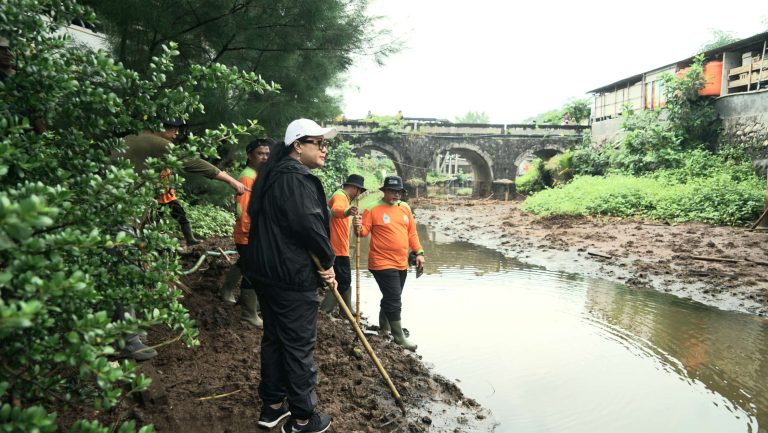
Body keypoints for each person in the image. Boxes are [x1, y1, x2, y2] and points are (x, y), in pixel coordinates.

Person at [242, 118, 336, 433]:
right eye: (318, 143)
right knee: (298, 346)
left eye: (326, 144)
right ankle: (303, 420)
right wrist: (328, 263)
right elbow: (310, 226)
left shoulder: (272, 175)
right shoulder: (297, 178)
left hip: (267, 274)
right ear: (298, 145)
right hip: (291, 277)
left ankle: (272, 406)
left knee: (275, 339)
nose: (324, 149)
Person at [121, 120, 246, 245]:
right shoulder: (158, 143)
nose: (176, 134)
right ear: (159, 127)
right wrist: (230, 180)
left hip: (111, 200)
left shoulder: (129, 138)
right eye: (173, 130)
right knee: (126, 240)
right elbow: (192, 162)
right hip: (130, 206)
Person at [353, 175, 425, 351]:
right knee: (394, 298)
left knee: (392, 295)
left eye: (399, 191)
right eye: (392, 191)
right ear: (384, 191)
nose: (396, 194)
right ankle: (398, 336)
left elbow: (412, 234)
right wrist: (357, 225)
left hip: (401, 262)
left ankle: (384, 327)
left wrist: (419, 252)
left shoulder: (405, 208)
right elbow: (362, 233)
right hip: (381, 262)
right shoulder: (372, 209)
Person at [220, 138, 273, 328]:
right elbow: (243, 211)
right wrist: (250, 234)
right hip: (248, 233)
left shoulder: (256, 174)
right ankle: (249, 314)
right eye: (260, 153)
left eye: (267, 154)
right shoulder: (248, 176)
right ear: (249, 155)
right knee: (253, 270)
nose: (265, 157)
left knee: (245, 263)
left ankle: (226, 291)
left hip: (251, 232)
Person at [319, 174, 366, 317]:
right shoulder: (340, 196)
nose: (360, 195)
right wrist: (347, 211)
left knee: (343, 279)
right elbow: (336, 210)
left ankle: (345, 311)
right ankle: (325, 312)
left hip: (340, 247)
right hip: (337, 248)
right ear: (355, 188)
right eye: (360, 191)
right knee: (343, 281)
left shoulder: (343, 197)